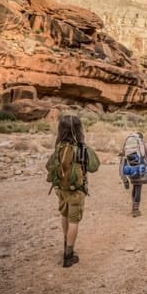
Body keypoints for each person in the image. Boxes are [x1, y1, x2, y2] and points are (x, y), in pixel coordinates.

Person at [46, 114, 100, 267]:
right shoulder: (82, 148)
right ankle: (68, 255)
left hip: (61, 189)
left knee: (64, 215)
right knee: (74, 221)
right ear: (78, 129)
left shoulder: (59, 147)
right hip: (77, 190)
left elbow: (49, 166)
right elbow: (94, 166)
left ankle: (66, 243)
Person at [119, 132, 147, 217]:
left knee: (135, 185)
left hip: (129, 168)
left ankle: (133, 207)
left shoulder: (127, 144)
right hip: (139, 168)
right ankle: (136, 209)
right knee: (138, 186)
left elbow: (123, 157)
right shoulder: (142, 144)